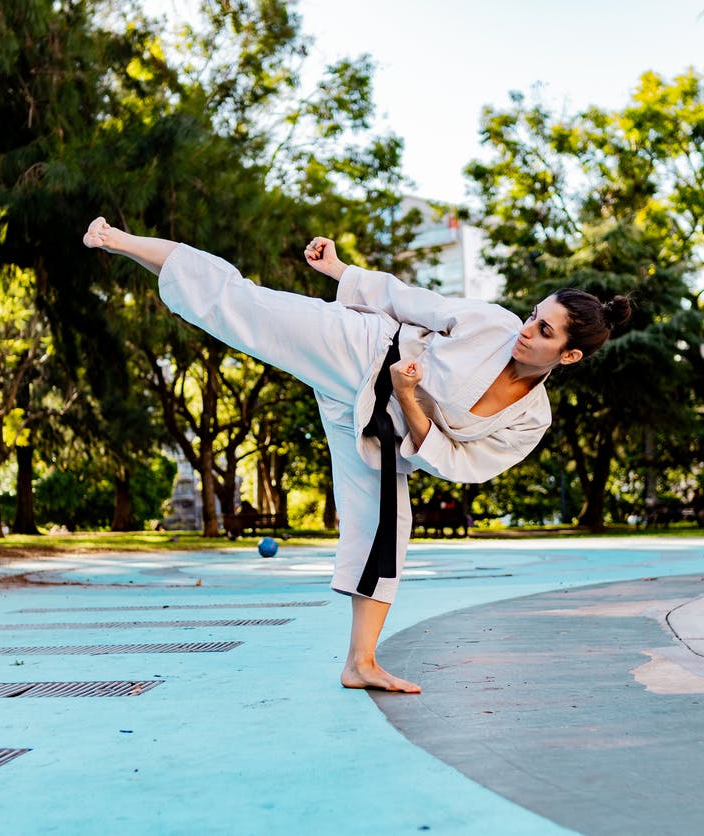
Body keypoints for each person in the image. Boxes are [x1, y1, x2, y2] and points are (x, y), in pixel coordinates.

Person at [83, 217, 630, 692]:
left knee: (386, 525)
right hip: (361, 349)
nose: (526, 329)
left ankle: (360, 662)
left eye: (544, 330)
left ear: (570, 355)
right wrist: (341, 272)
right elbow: (411, 300)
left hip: (383, 422)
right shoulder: (493, 323)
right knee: (246, 307)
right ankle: (120, 240)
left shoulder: (531, 420)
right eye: (534, 316)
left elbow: (455, 465)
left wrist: (411, 397)